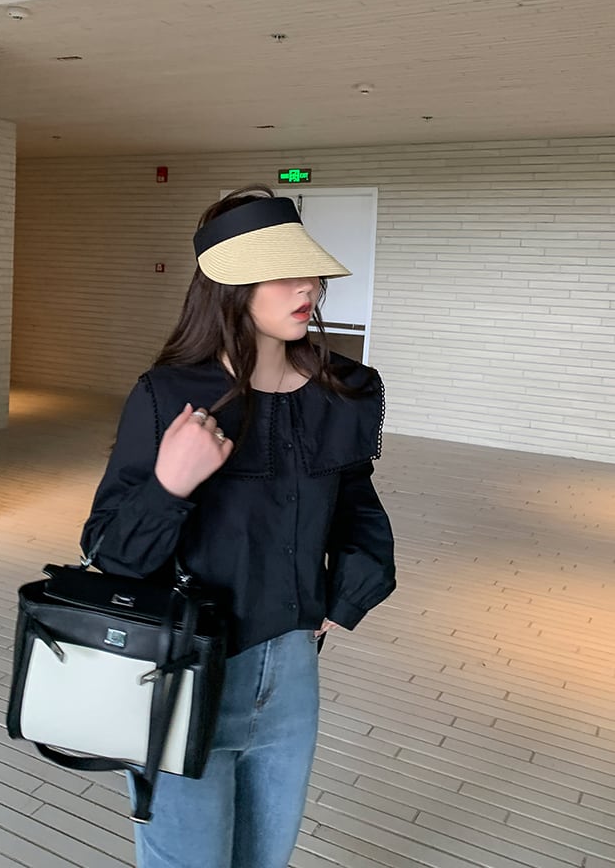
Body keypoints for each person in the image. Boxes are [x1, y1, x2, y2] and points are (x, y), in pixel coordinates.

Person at [80, 185, 396, 868]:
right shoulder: (167, 395)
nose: (308, 286)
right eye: (282, 273)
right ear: (230, 286)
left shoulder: (344, 391)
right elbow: (110, 550)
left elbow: (357, 505)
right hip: (183, 669)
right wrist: (170, 485)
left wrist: (346, 595)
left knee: (264, 858)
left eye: (308, 270)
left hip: (292, 672)